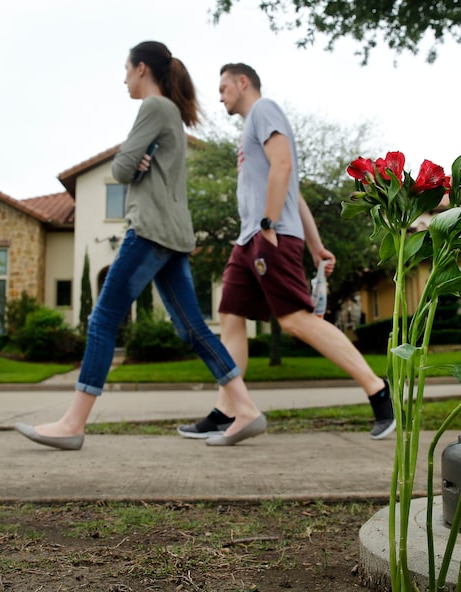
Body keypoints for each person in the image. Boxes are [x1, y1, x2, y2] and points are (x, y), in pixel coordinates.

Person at [15, 42, 264, 450]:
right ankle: (247, 409)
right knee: (192, 328)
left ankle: (73, 424)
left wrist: (134, 163)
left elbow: (119, 167)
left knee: (102, 319)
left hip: (149, 230)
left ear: (142, 68)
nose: (124, 77)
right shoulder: (171, 115)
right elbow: (133, 164)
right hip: (173, 234)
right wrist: (138, 161)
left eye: (126, 69)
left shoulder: (154, 108)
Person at [178, 63, 394, 446]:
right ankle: (227, 410)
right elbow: (293, 188)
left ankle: (378, 390)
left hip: (268, 235)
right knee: (229, 318)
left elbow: (284, 165)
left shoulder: (264, 110)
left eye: (224, 86)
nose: (220, 94)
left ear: (243, 82)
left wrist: (268, 223)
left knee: (295, 319)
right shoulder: (251, 126)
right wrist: (315, 245)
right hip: (248, 240)